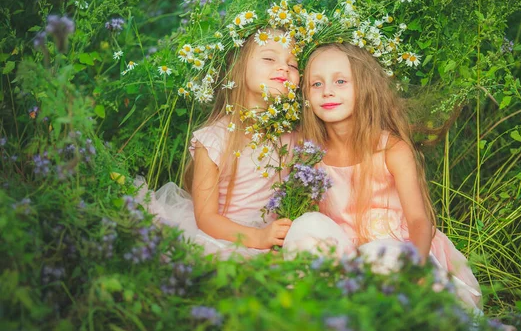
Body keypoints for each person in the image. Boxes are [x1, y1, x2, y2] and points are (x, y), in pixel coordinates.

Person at [285, 42, 482, 312]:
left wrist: (416, 268)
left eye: (340, 81)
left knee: (382, 260)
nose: (327, 91)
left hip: (394, 256)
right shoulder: (309, 152)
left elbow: (418, 221)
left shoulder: (391, 149)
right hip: (342, 259)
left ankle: (381, 317)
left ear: (365, 87)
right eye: (316, 84)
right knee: (306, 224)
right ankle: (326, 313)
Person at [138, 30, 299, 259]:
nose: (284, 68)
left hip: (271, 234)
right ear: (238, 68)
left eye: (293, 64)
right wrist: (259, 238)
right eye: (269, 59)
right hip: (225, 238)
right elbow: (207, 219)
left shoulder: (293, 135)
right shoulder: (216, 139)